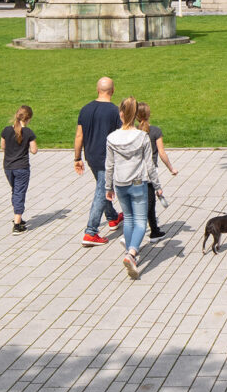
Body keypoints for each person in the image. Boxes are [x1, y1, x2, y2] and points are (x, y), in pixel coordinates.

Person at [103, 99, 159, 280]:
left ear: (121, 114)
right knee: (141, 221)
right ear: (135, 116)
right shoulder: (142, 137)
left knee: (128, 219)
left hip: (120, 184)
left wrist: (108, 187)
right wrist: (157, 186)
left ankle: (129, 251)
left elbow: (109, 165)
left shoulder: (111, 138)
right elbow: (149, 166)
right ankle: (132, 254)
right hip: (137, 183)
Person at [73, 77, 123, 244]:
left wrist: (77, 157)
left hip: (91, 156)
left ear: (97, 89)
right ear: (113, 90)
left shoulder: (85, 109)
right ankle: (91, 231)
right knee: (102, 191)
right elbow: (123, 136)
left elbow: (79, 135)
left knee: (103, 186)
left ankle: (112, 217)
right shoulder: (115, 111)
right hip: (107, 158)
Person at [143, 107, 181, 240]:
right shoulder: (155, 131)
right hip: (149, 173)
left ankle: (153, 229)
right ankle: (152, 231)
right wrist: (171, 168)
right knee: (149, 203)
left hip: (134, 173)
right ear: (149, 115)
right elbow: (162, 152)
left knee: (140, 202)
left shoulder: (134, 132)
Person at [2, 104, 37, 232]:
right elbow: (34, 150)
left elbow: (3, 147)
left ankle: (17, 215)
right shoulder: (28, 132)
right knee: (19, 192)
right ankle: (17, 224)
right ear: (28, 119)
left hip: (8, 167)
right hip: (21, 167)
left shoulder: (6, 130)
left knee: (15, 191)